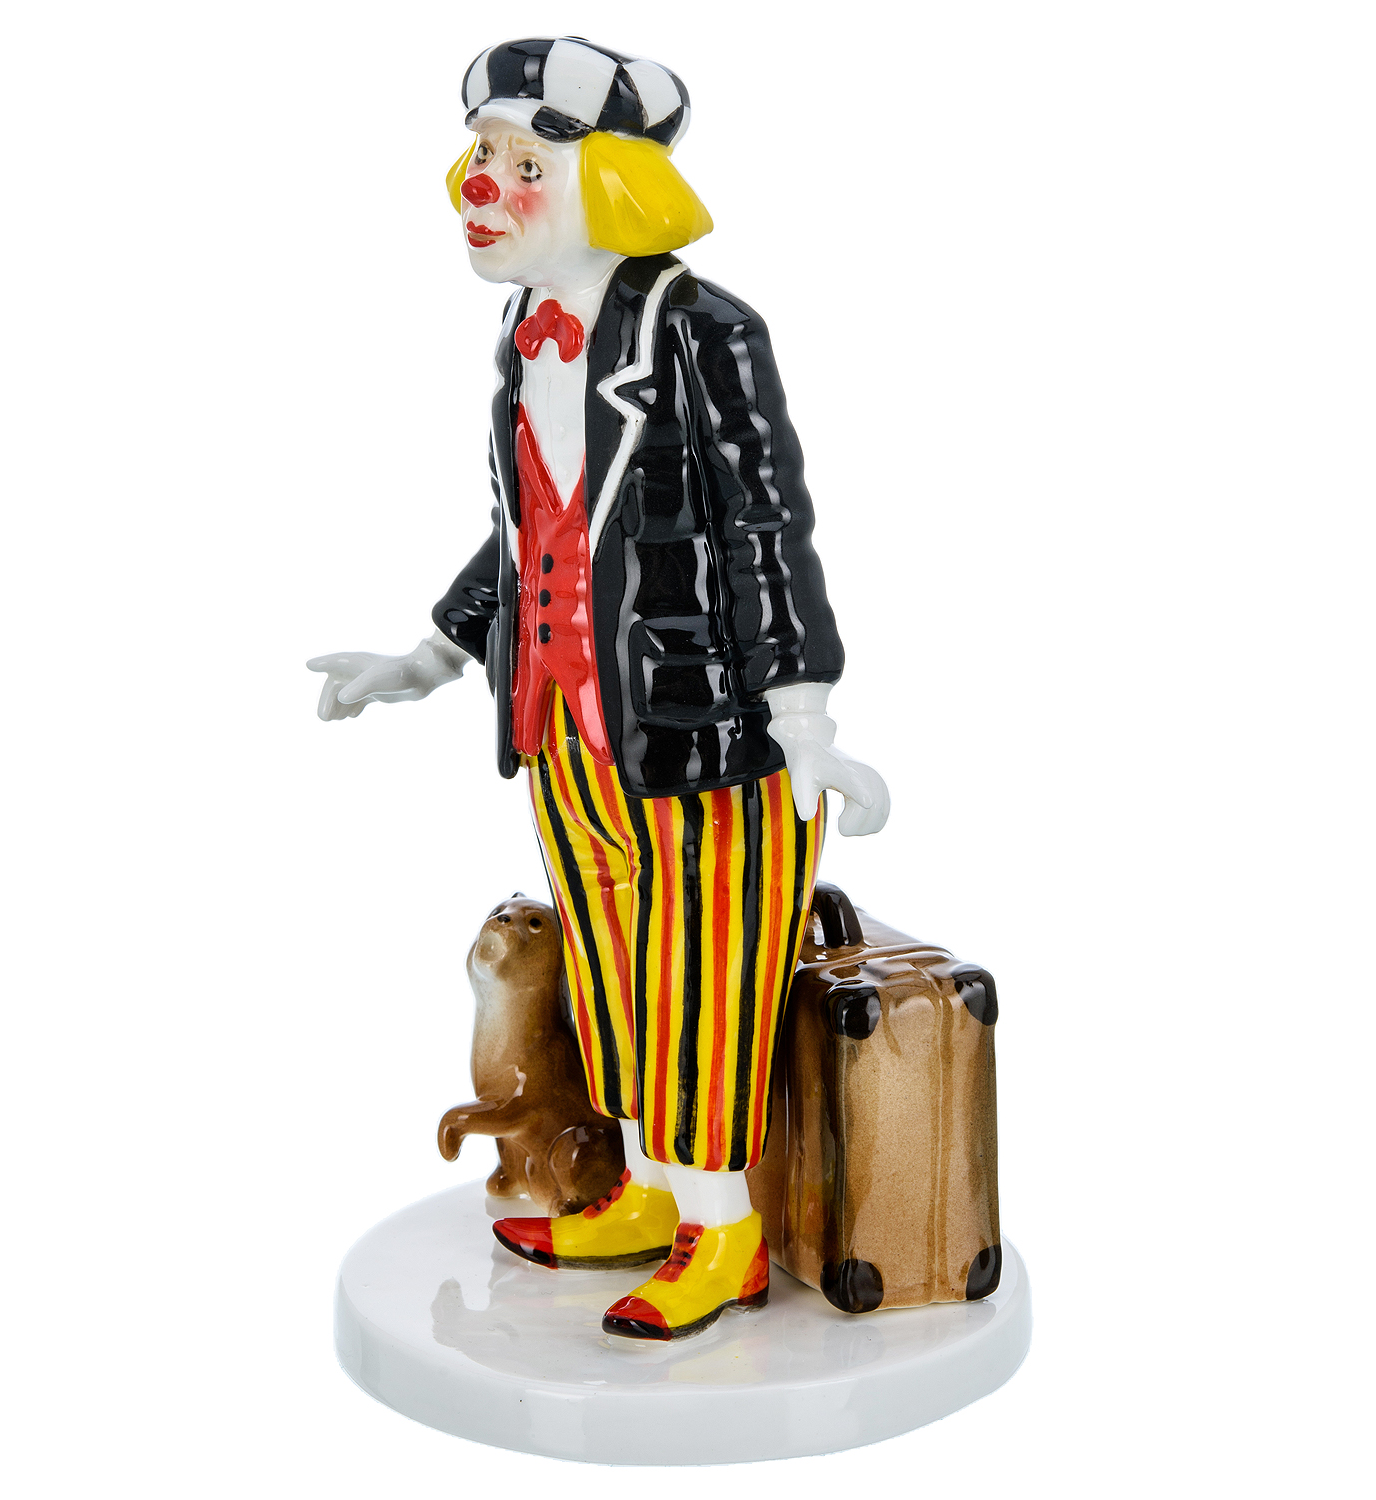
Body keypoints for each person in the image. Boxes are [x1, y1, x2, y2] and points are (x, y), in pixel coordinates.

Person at [309, 36, 889, 1341]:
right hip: (567, 726)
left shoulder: (706, 330)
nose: (483, 185)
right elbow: (530, 528)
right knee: (615, 975)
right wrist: (435, 653)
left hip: (706, 739)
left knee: (701, 986)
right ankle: (650, 1193)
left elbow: (767, 530)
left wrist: (805, 717)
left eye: (525, 164)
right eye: (484, 156)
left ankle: (724, 1234)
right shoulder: (528, 333)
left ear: (611, 181)